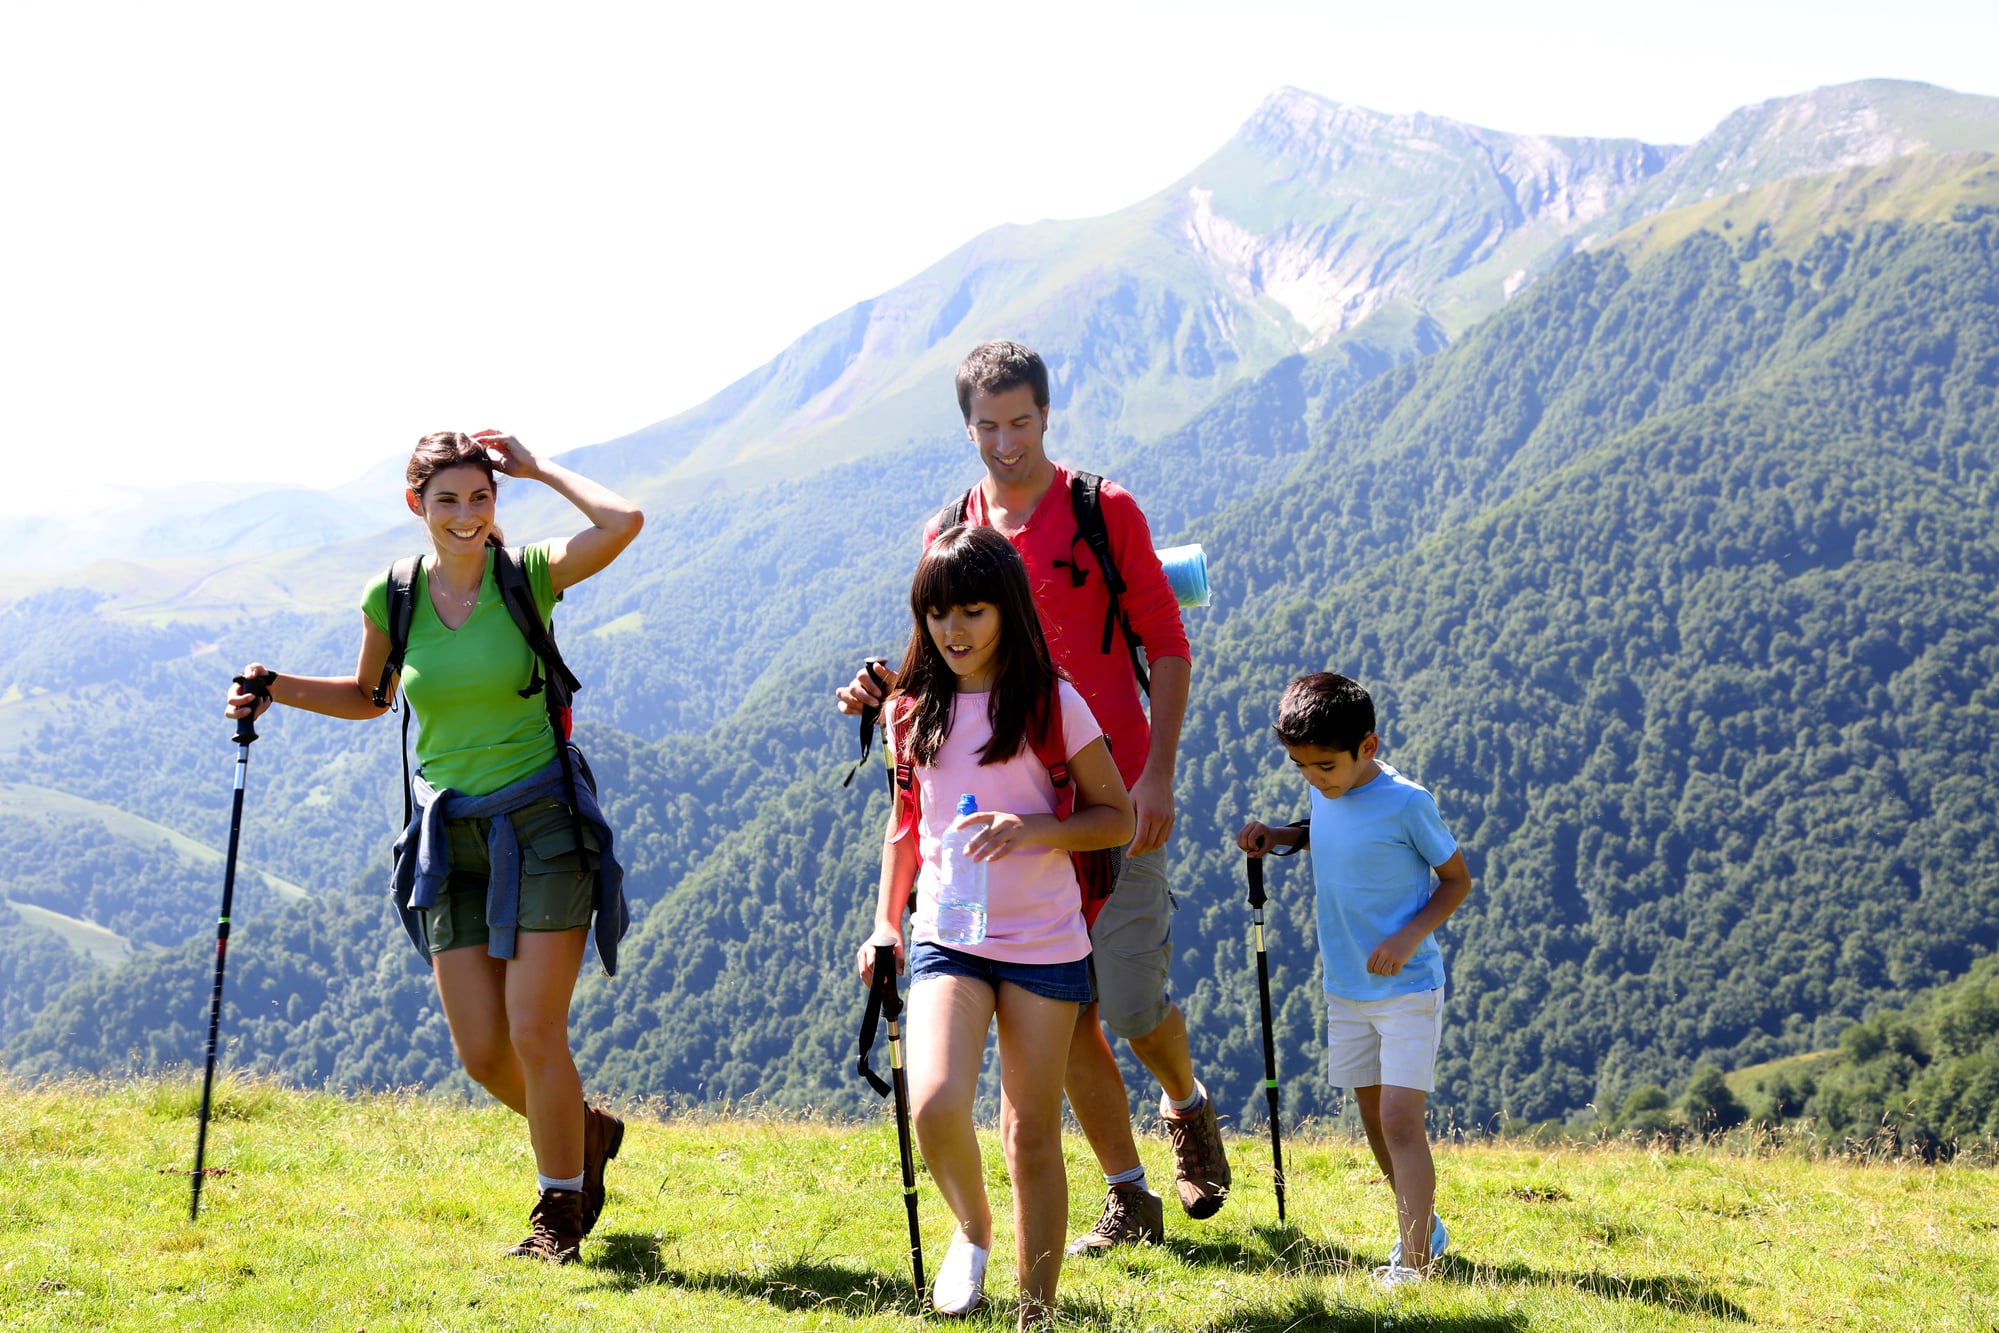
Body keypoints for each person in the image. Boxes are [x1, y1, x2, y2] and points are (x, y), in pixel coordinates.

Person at [840, 339, 1229, 1253]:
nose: (1005, 442)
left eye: (1020, 421)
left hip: (1108, 795)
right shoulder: (951, 530)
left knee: (1129, 1004)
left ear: (1047, 414)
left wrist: (1157, 774)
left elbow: (1165, 643)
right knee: (1071, 1011)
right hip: (1002, 823)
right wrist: (879, 687)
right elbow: (936, 654)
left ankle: (1187, 1102)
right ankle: (1129, 1195)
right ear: (967, 426)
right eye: (988, 425)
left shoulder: (1101, 510)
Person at [222, 429, 643, 1264]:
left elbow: (623, 521)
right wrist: (278, 691)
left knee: (533, 1030)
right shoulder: (395, 596)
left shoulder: (524, 575)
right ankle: (585, 1133)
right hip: (446, 836)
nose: (465, 515)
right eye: (446, 499)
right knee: (482, 1051)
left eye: (480, 498)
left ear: (496, 504)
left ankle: (558, 1209)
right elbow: (371, 695)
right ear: (415, 504)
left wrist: (536, 466)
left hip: (544, 824)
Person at [856, 525, 1133, 1327]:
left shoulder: (1053, 701)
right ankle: (971, 1231)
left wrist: (1035, 829)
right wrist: (885, 923)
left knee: (1029, 1133)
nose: (954, 630)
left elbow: (1115, 817)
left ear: (1008, 609)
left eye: (972, 611)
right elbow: (905, 826)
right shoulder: (909, 710)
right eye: (938, 613)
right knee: (935, 1102)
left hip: (1045, 945)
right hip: (948, 933)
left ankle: (1034, 1311)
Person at [1235, 672, 1472, 1288]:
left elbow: (1456, 881)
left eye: (1324, 766)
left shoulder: (1408, 802)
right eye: (1300, 767)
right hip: (1345, 985)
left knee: (1399, 1120)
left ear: (1367, 747)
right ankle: (1422, 1225)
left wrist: (1406, 937)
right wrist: (1280, 836)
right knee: (1373, 1117)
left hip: (1406, 985)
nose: (1313, 779)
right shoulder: (1327, 789)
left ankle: (1414, 1263)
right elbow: (1332, 832)